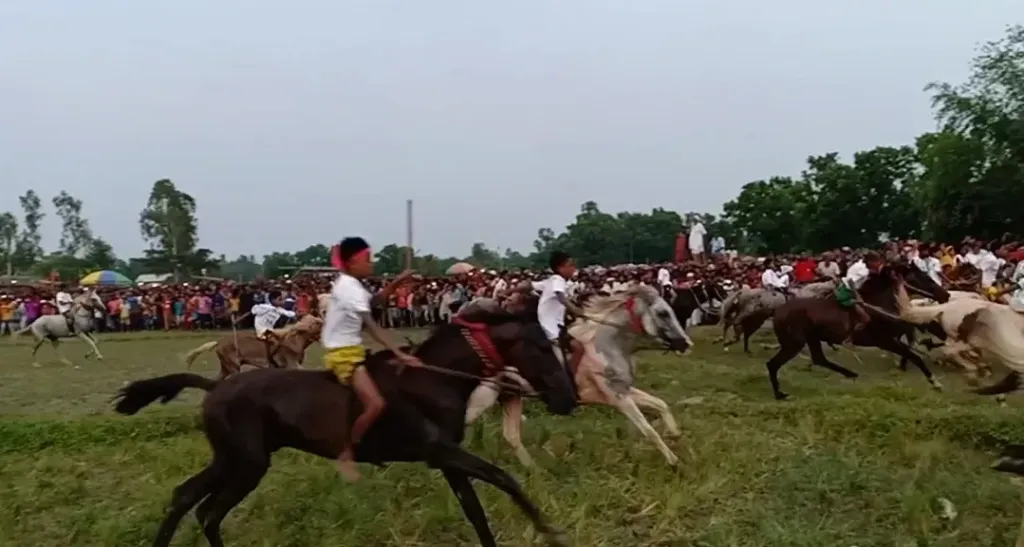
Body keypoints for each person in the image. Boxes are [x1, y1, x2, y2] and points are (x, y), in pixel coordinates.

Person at [321, 237, 422, 482]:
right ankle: (346, 453)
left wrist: (397, 282)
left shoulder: (353, 285)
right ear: (352, 262)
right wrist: (400, 354)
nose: (371, 264)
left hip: (352, 349)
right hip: (344, 354)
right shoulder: (349, 288)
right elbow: (372, 326)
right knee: (376, 404)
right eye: (367, 260)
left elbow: (375, 303)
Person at [234, 291, 297, 367]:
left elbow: (290, 314)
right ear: (273, 300)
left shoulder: (279, 310)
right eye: (279, 299)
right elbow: (251, 312)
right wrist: (239, 319)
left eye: (282, 299)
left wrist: (299, 313)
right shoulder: (264, 307)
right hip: (261, 330)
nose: (282, 301)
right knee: (276, 342)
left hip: (270, 330)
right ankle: (270, 358)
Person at [836, 251, 882, 345]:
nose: (878, 264)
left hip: (853, 290)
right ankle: (849, 337)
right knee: (865, 318)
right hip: (846, 292)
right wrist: (857, 295)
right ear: (870, 261)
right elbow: (851, 281)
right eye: (877, 261)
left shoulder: (864, 267)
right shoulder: (861, 269)